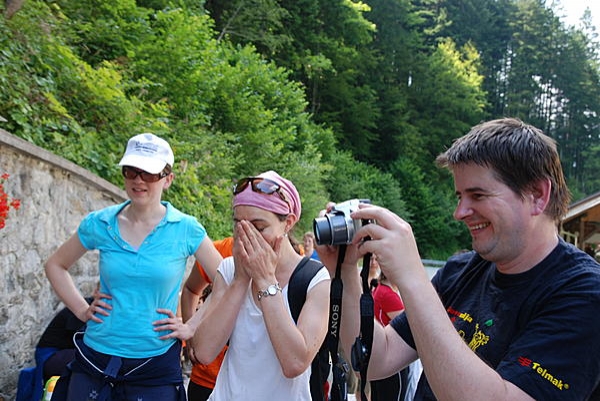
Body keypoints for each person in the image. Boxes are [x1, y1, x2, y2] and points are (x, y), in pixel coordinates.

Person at [317, 118, 600, 400]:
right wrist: (345, 271)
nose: (460, 212)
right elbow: (378, 359)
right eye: (460, 196)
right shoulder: (460, 270)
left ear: (537, 195)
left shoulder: (583, 293)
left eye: (478, 195)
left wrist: (413, 278)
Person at [44, 133, 223, 400]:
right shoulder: (100, 223)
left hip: (155, 363)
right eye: (131, 171)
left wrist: (191, 326)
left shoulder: (186, 229)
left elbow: (226, 280)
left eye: (149, 173)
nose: (138, 180)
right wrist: (81, 309)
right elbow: (55, 265)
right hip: (96, 356)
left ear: (168, 179)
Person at [190, 170, 331, 400]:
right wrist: (240, 281)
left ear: (288, 223)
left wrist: (266, 280)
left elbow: (295, 363)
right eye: (239, 225)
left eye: (259, 227)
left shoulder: (314, 279)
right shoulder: (230, 269)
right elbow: (203, 352)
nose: (247, 236)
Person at [184, 236, 234, 401]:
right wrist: (190, 338)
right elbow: (191, 290)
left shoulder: (284, 260)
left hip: (250, 380)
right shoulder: (218, 251)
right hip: (207, 376)